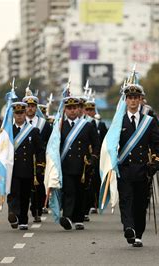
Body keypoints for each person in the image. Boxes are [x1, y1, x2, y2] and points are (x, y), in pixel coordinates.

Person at [117, 79, 159, 247]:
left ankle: (138, 234)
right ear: (125, 100)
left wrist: (156, 164)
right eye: (129, 97)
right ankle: (128, 228)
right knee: (126, 201)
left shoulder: (149, 121)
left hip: (143, 170)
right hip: (124, 170)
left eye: (135, 97)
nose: (132, 100)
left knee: (140, 204)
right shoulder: (118, 122)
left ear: (140, 100)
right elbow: (109, 146)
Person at [58, 97, 100, 231]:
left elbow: (96, 144)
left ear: (79, 109)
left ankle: (79, 218)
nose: (72, 111)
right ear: (65, 110)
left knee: (81, 192)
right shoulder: (60, 125)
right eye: (69, 108)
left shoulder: (87, 125)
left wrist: (93, 158)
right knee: (69, 191)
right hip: (66, 165)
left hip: (83, 166)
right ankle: (67, 217)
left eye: (74, 108)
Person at [7, 102, 45, 230]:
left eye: (21, 113)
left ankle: (23, 220)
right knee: (13, 194)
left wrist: (40, 164)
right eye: (17, 113)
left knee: (24, 196)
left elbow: (40, 150)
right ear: (13, 114)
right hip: (12, 169)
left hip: (27, 169)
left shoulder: (33, 131)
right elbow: (2, 149)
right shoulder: (8, 131)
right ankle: (13, 214)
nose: (19, 116)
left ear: (25, 114)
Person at [23, 89, 53, 222]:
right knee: (24, 187)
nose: (30, 109)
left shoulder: (44, 124)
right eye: (28, 106)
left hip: (39, 160)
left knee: (39, 187)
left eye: (33, 106)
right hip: (23, 160)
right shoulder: (18, 123)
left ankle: (36, 209)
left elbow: (50, 141)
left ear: (36, 108)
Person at [83, 100, 108, 216]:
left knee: (97, 181)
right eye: (87, 110)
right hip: (84, 157)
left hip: (97, 157)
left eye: (91, 110)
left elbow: (104, 141)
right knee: (87, 181)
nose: (89, 112)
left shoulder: (100, 125)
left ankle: (95, 204)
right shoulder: (82, 123)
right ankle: (87, 205)